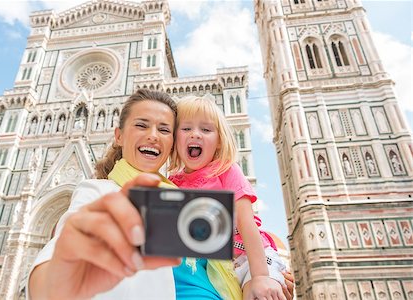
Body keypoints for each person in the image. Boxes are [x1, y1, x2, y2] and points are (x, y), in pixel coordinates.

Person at [28, 89, 294, 299]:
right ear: (119, 136)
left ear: (171, 144)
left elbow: (241, 250)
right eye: (142, 125)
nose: (153, 136)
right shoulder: (101, 192)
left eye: (164, 129)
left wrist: (265, 279)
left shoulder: (185, 199)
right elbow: (51, 280)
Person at [169, 95, 286, 300]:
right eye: (186, 128)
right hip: (217, 268)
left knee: (259, 293)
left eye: (205, 130)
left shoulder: (226, 171)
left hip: (253, 258)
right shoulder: (173, 183)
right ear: (173, 139)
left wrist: (259, 276)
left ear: (219, 141)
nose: (195, 134)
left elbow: (246, 221)